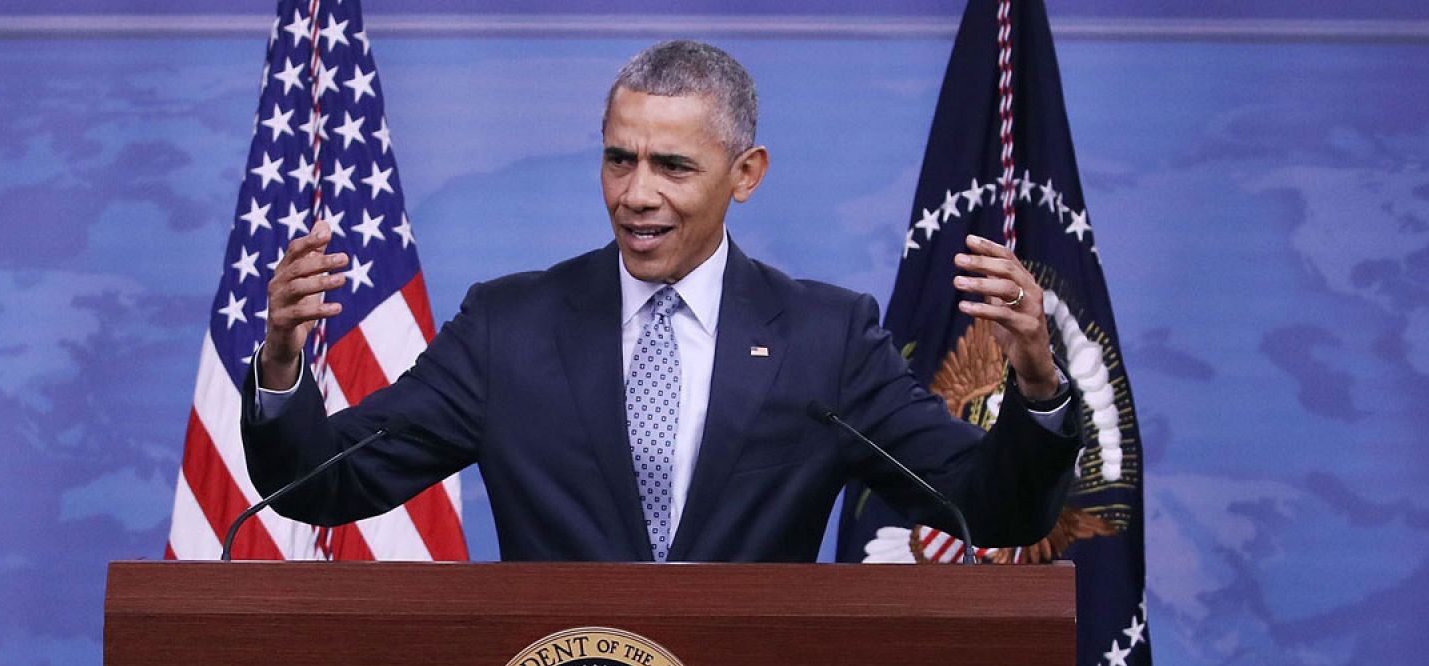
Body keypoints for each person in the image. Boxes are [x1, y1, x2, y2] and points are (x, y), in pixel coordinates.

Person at [243, 40, 1081, 562]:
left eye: (672, 167)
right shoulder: (508, 330)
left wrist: (1038, 387)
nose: (636, 194)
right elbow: (324, 486)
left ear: (744, 174)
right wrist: (283, 365)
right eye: (619, 160)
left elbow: (993, 510)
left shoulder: (826, 340)